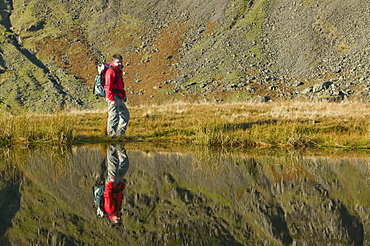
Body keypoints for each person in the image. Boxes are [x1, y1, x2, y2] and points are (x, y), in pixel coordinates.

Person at [104, 54, 130, 137]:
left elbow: (121, 85)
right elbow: (107, 87)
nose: (120, 64)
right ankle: (111, 136)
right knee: (113, 116)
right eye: (118, 62)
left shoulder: (118, 71)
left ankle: (119, 134)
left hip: (119, 96)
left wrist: (124, 95)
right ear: (113, 62)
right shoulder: (110, 71)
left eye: (121, 62)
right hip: (113, 97)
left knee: (125, 114)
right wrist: (111, 100)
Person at [103, 145, 130, 225]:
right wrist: (123, 185)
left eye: (117, 219)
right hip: (117, 184)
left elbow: (107, 194)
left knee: (113, 165)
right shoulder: (118, 209)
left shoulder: (110, 209)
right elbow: (119, 194)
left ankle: (111, 145)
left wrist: (111, 182)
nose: (119, 218)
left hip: (112, 184)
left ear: (112, 219)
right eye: (119, 219)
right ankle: (119, 145)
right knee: (125, 165)